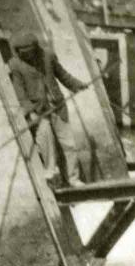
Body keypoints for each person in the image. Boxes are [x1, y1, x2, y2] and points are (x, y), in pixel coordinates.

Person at [6, 31, 87, 187]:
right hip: (37, 110)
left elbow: (63, 75)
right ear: (18, 52)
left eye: (29, 52)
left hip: (57, 106)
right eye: (23, 54)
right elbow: (20, 92)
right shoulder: (15, 65)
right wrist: (29, 111)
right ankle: (50, 175)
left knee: (69, 144)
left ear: (35, 48)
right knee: (45, 141)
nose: (27, 56)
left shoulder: (48, 56)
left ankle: (73, 178)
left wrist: (77, 84)